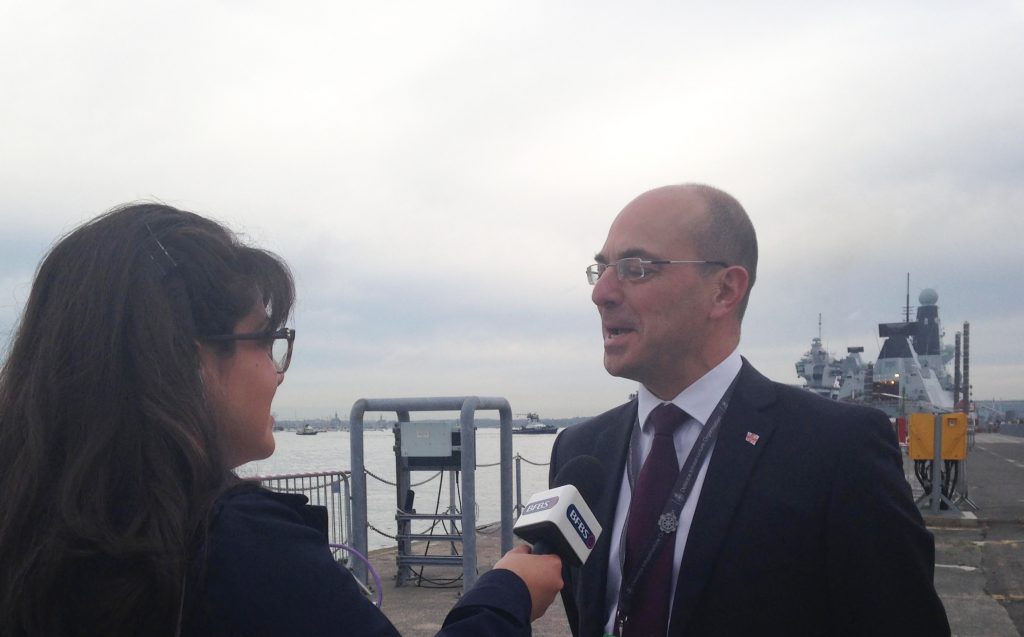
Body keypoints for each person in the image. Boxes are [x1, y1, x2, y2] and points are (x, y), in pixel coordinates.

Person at [0, 203, 562, 637]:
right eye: (267, 343)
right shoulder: (235, 548)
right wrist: (506, 593)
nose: (278, 373)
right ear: (187, 359)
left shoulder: (35, 528)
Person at [549, 184, 950, 636]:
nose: (601, 292)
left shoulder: (838, 452)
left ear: (724, 290)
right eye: (600, 269)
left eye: (635, 268)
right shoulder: (580, 452)